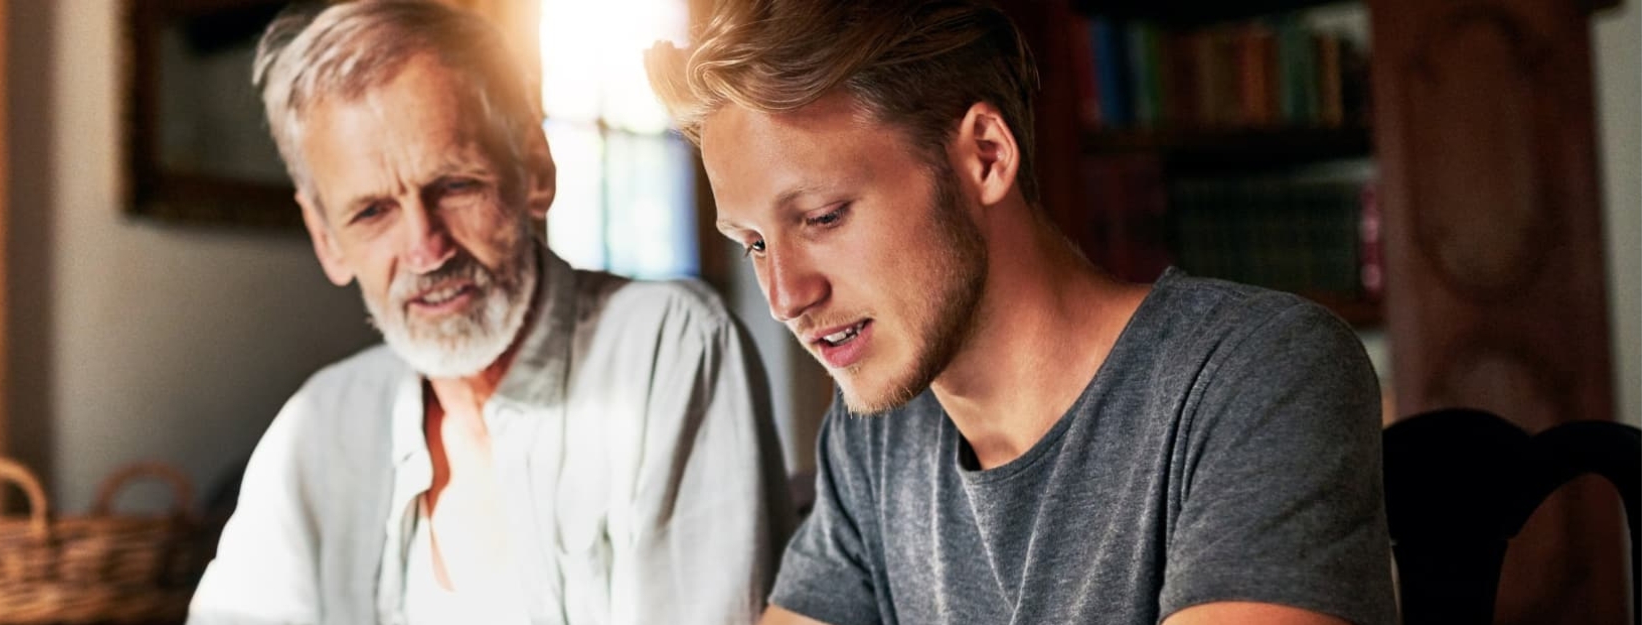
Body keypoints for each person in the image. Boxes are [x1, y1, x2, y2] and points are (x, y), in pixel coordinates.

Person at [645, 1, 1398, 624]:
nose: (783, 295)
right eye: (749, 243)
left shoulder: (1257, 374)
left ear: (984, 155)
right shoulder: (874, 438)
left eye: (821, 216)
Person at [188, 2, 793, 623]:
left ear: (535, 168)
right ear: (326, 239)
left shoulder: (667, 346)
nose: (426, 250)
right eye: (372, 213)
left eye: (455, 185)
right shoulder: (318, 426)